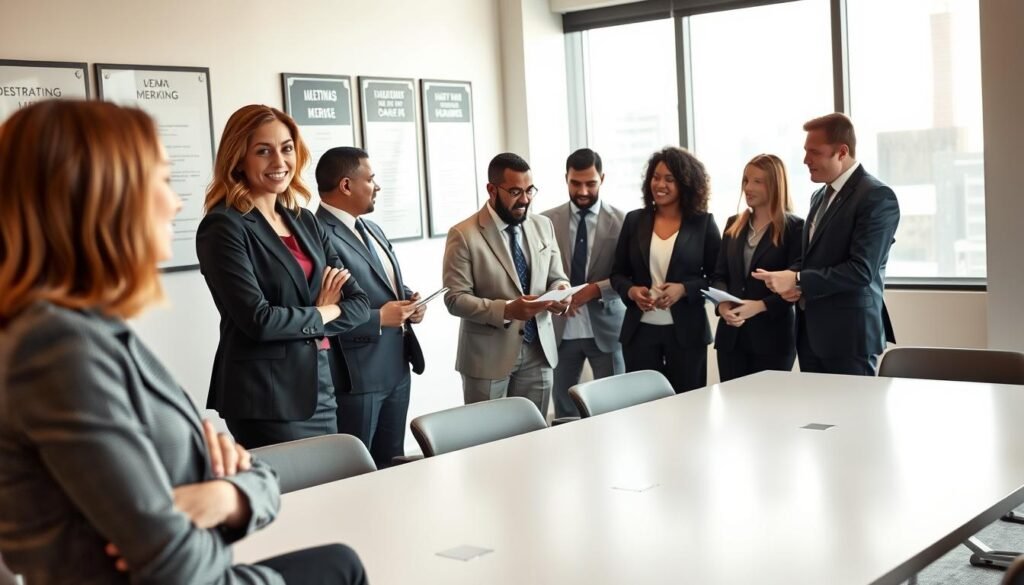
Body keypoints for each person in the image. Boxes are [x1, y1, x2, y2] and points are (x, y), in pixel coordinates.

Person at [0, 99, 367, 584]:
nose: (174, 203)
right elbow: (174, 565)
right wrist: (226, 489)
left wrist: (227, 494)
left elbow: (250, 477)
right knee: (341, 566)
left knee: (341, 557)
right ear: (97, 197)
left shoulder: (88, 329)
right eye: (161, 180)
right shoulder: (55, 350)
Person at [197, 105, 370, 448]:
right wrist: (323, 310)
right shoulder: (224, 227)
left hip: (319, 383)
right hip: (266, 395)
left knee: (331, 492)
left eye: (286, 148)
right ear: (238, 159)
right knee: (294, 498)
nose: (279, 161)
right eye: (263, 150)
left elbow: (360, 303)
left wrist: (306, 318)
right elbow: (259, 321)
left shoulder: (305, 222)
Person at [753, 113, 899, 375]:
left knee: (853, 415)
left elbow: (861, 270)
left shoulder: (877, 197)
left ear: (842, 152)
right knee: (819, 416)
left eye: (814, 153)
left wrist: (797, 279)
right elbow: (811, 258)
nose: (805, 160)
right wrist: (789, 279)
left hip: (849, 338)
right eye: (805, 151)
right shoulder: (819, 195)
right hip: (810, 336)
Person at [314, 146, 425, 468]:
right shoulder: (317, 234)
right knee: (355, 470)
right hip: (357, 374)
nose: (377, 186)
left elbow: (384, 283)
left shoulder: (372, 229)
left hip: (396, 367)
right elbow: (322, 308)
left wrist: (410, 302)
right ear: (346, 185)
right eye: (372, 179)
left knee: (392, 464)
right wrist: (379, 318)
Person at [443, 152, 571, 415]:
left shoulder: (543, 225)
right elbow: (455, 299)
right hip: (487, 357)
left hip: (539, 351)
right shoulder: (464, 234)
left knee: (533, 435)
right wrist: (508, 310)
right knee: (486, 438)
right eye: (515, 191)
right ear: (492, 189)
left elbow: (557, 276)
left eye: (529, 190)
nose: (525, 199)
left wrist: (561, 292)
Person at [611, 147, 722, 393]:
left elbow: (718, 278)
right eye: (656, 177)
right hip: (639, 333)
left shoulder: (703, 223)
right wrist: (631, 292)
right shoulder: (634, 220)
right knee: (641, 407)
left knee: (689, 406)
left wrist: (684, 289)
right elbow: (617, 273)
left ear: (686, 184)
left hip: (687, 333)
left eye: (669, 179)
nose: (659, 184)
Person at [541, 148, 626, 418]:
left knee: (612, 405)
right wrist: (557, 292)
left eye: (591, 183)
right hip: (559, 330)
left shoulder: (622, 222)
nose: (583, 191)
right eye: (575, 183)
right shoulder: (544, 222)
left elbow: (628, 276)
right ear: (565, 178)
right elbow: (537, 273)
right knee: (564, 409)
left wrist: (592, 291)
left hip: (606, 327)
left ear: (602, 178)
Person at [711, 154, 804, 381]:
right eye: (745, 180)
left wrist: (760, 306)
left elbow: (796, 286)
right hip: (731, 337)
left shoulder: (795, 228)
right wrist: (722, 305)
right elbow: (719, 275)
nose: (747, 188)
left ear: (775, 184)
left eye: (757, 181)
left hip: (773, 338)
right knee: (733, 410)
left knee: (770, 411)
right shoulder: (733, 224)